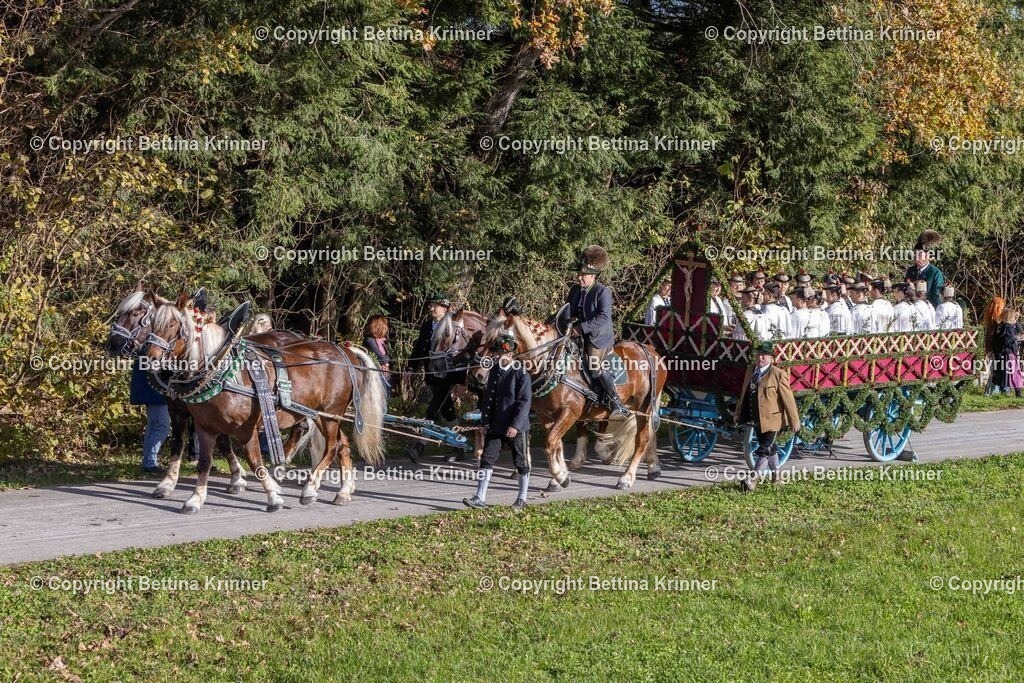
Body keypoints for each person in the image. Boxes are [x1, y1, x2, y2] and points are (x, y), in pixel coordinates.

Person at [463, 333, 532, 511]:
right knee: (487, 459)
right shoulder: (494, 370)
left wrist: (515, 425)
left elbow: (524, 402)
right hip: (495, 424)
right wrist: (485, 421)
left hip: (516, 427)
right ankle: (480, 497)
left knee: (521, 462)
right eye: (496, 353)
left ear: (510, 354)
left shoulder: (521, 372)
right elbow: (489, 398)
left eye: (500, 353)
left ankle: (522, 498)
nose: (497, 356)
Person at [566, 245, 630, 417]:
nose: (579, 277)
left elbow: (604, 317)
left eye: (583, 275)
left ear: (593, 275)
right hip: (577, 334)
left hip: (598, 337)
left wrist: (581, 328)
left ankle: (615, 401)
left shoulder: (602, 291)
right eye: (578, 274)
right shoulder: (574, 290)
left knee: (594, 366)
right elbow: (566, 312)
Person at [734, 341, 801, 491]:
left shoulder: (778, 374)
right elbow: (744, 392)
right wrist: (738, 411)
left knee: (764, 449)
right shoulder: (751, 370)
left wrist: (794, 421)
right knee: (771, 448)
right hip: (757, 419)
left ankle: (752, 480)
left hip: (772, 420)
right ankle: (777, 478)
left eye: (764, 355)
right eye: (758, 354)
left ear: (771, 358)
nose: (760, 357)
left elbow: (788, 399)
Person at [406, 293, 459, 463]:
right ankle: (459, 446)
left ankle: (420, 446)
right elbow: (419, 349)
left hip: (447, 374)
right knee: (447, 410)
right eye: (431, 305)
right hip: (431, 373)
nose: (431, 308)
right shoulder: (427, 326)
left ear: (444, 308)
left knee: (434, 408)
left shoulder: (453, 325)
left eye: (435, 305)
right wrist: (411, 368)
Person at [130, 355, 169, 475]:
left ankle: (148, 462)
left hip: (152, 391)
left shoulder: (145, 349)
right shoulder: (151, 349)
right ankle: (150, 462)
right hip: (155, 392)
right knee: (162, 427)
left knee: (153, 427)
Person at [906, 230, 945, 308]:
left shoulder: (935, 273)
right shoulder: (911, 270)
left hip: (928, 309)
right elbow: (905, 291)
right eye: (915, 254)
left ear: (928, 256)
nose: (917, 258)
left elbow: (936, 296)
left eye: (920, 254)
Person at [992, 309, 1024, 397]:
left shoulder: (999, 326)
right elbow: (1007, 341)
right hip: (1009, 353)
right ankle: (1017, 392)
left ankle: (1006, 391)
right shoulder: (1008, 327)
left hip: (1001, 352)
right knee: (1015, 373)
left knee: (1006, 373)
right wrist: (1015, 339)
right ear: (1010, 317)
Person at [363, 315, 392, 397]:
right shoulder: (370, 341)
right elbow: (383, 359)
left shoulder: (382, 342)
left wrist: (387, 360)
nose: (386, 328)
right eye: (385, 325)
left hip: (384, 374)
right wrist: (387, 360)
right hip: (375, 377)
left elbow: (389, 358)